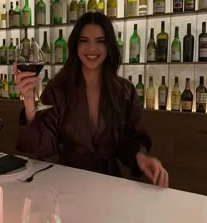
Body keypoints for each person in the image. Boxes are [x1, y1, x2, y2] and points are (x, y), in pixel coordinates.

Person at [14, 12, 168, 187]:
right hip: (67, 182)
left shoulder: (125, 91)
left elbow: (132, 138)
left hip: (109, 183)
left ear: (109, 46)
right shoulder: (57, 89)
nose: (91, 48)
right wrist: (28, 100)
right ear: (75, 45)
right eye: (84, 40)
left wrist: (141, 157)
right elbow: (41, 144)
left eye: (100, 41)